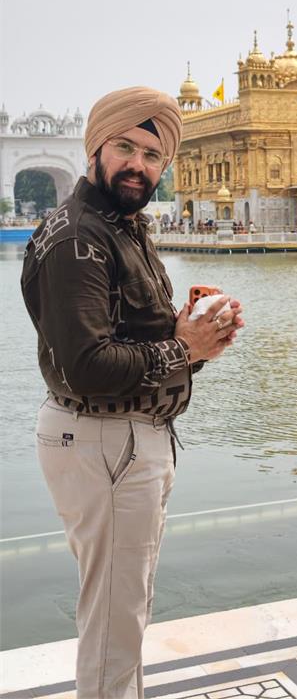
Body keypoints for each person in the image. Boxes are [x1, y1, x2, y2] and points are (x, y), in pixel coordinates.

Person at [21, 86, 244, 699]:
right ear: (96, 147)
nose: (138, 164)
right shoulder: (79, 239)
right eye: (126, 147)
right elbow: (90, 365)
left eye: (152, 155)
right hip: (104, 437)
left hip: (117, 436)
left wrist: (192, 334)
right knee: (116, 619)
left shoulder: (121, 227)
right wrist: (184, 350)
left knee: (121, 607)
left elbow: (127, 338)